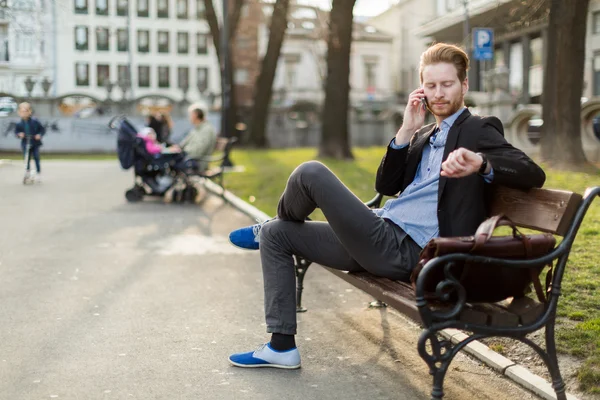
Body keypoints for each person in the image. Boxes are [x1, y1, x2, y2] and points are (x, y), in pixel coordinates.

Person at [226, 43, 546, 370]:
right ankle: (281, 347)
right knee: (279, 235)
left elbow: (532, 173)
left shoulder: (477, 129)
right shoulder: (423, 135)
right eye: (431, 86)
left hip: (412, 251)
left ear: (464, 86)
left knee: (311, 173)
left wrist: (481, 163)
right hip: (380, 233)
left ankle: (266, 225)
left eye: (447, 84)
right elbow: (385, 187)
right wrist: (406, 129)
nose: (438, 93)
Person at [172, 106, 216, 170]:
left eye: (190, 115)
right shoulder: (197, 129)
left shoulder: (206, 129)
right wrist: (178, 148)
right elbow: (184, 143)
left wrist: (183, 151)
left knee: (171, 163)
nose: (189, 118)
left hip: (197, 162)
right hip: (190, 158)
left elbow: (198, 151)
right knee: (169, 161)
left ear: (196, 115)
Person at [15, 102, 45, 182]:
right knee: (26, 158)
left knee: (36, 157)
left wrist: (39, 135)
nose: (24, 113)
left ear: (30, 112)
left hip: (34, 143)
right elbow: (16, 132)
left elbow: (42, 130)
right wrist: (19, 134)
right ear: (19, 112)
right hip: (25, 143)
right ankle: (27, 172)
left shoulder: (35, 122)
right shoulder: (19, 124)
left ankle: (38, 173)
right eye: (22, 111)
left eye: (26, 111)